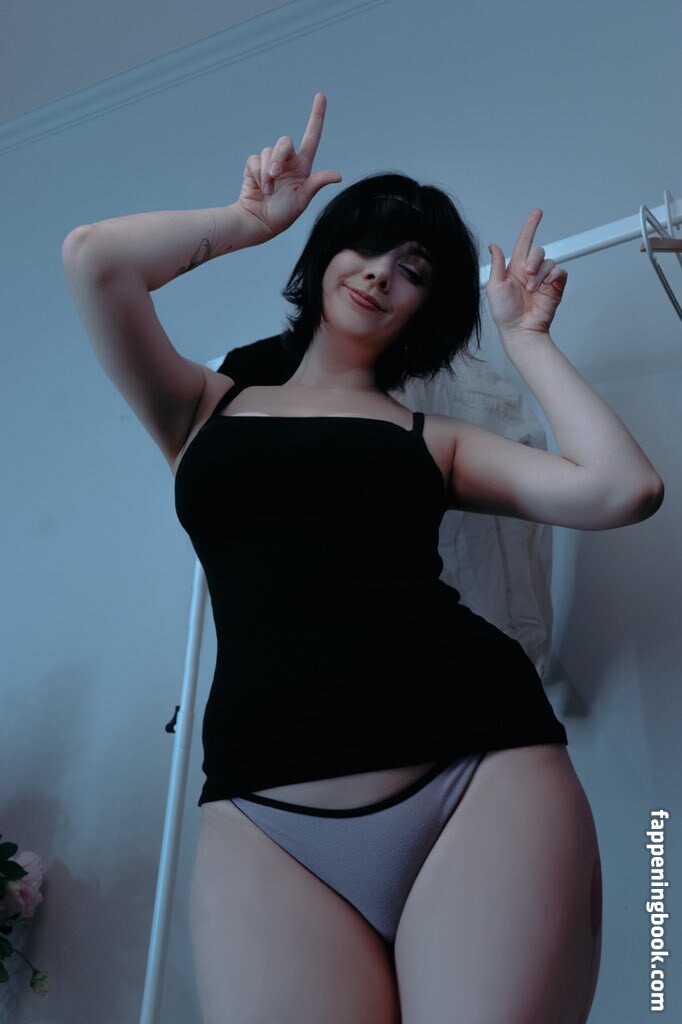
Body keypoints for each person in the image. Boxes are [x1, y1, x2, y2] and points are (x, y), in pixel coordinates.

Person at [62, 92, 664, 1024]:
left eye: (413, 269)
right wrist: (246, 222)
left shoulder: (433, 440)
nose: (381, 273)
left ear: (430, 309)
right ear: (327, 256)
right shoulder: (203, 407)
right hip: (262, 809)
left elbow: (623, 489)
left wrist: (526, 339)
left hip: (474, 768)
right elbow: (94, 260)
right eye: (366, 247)